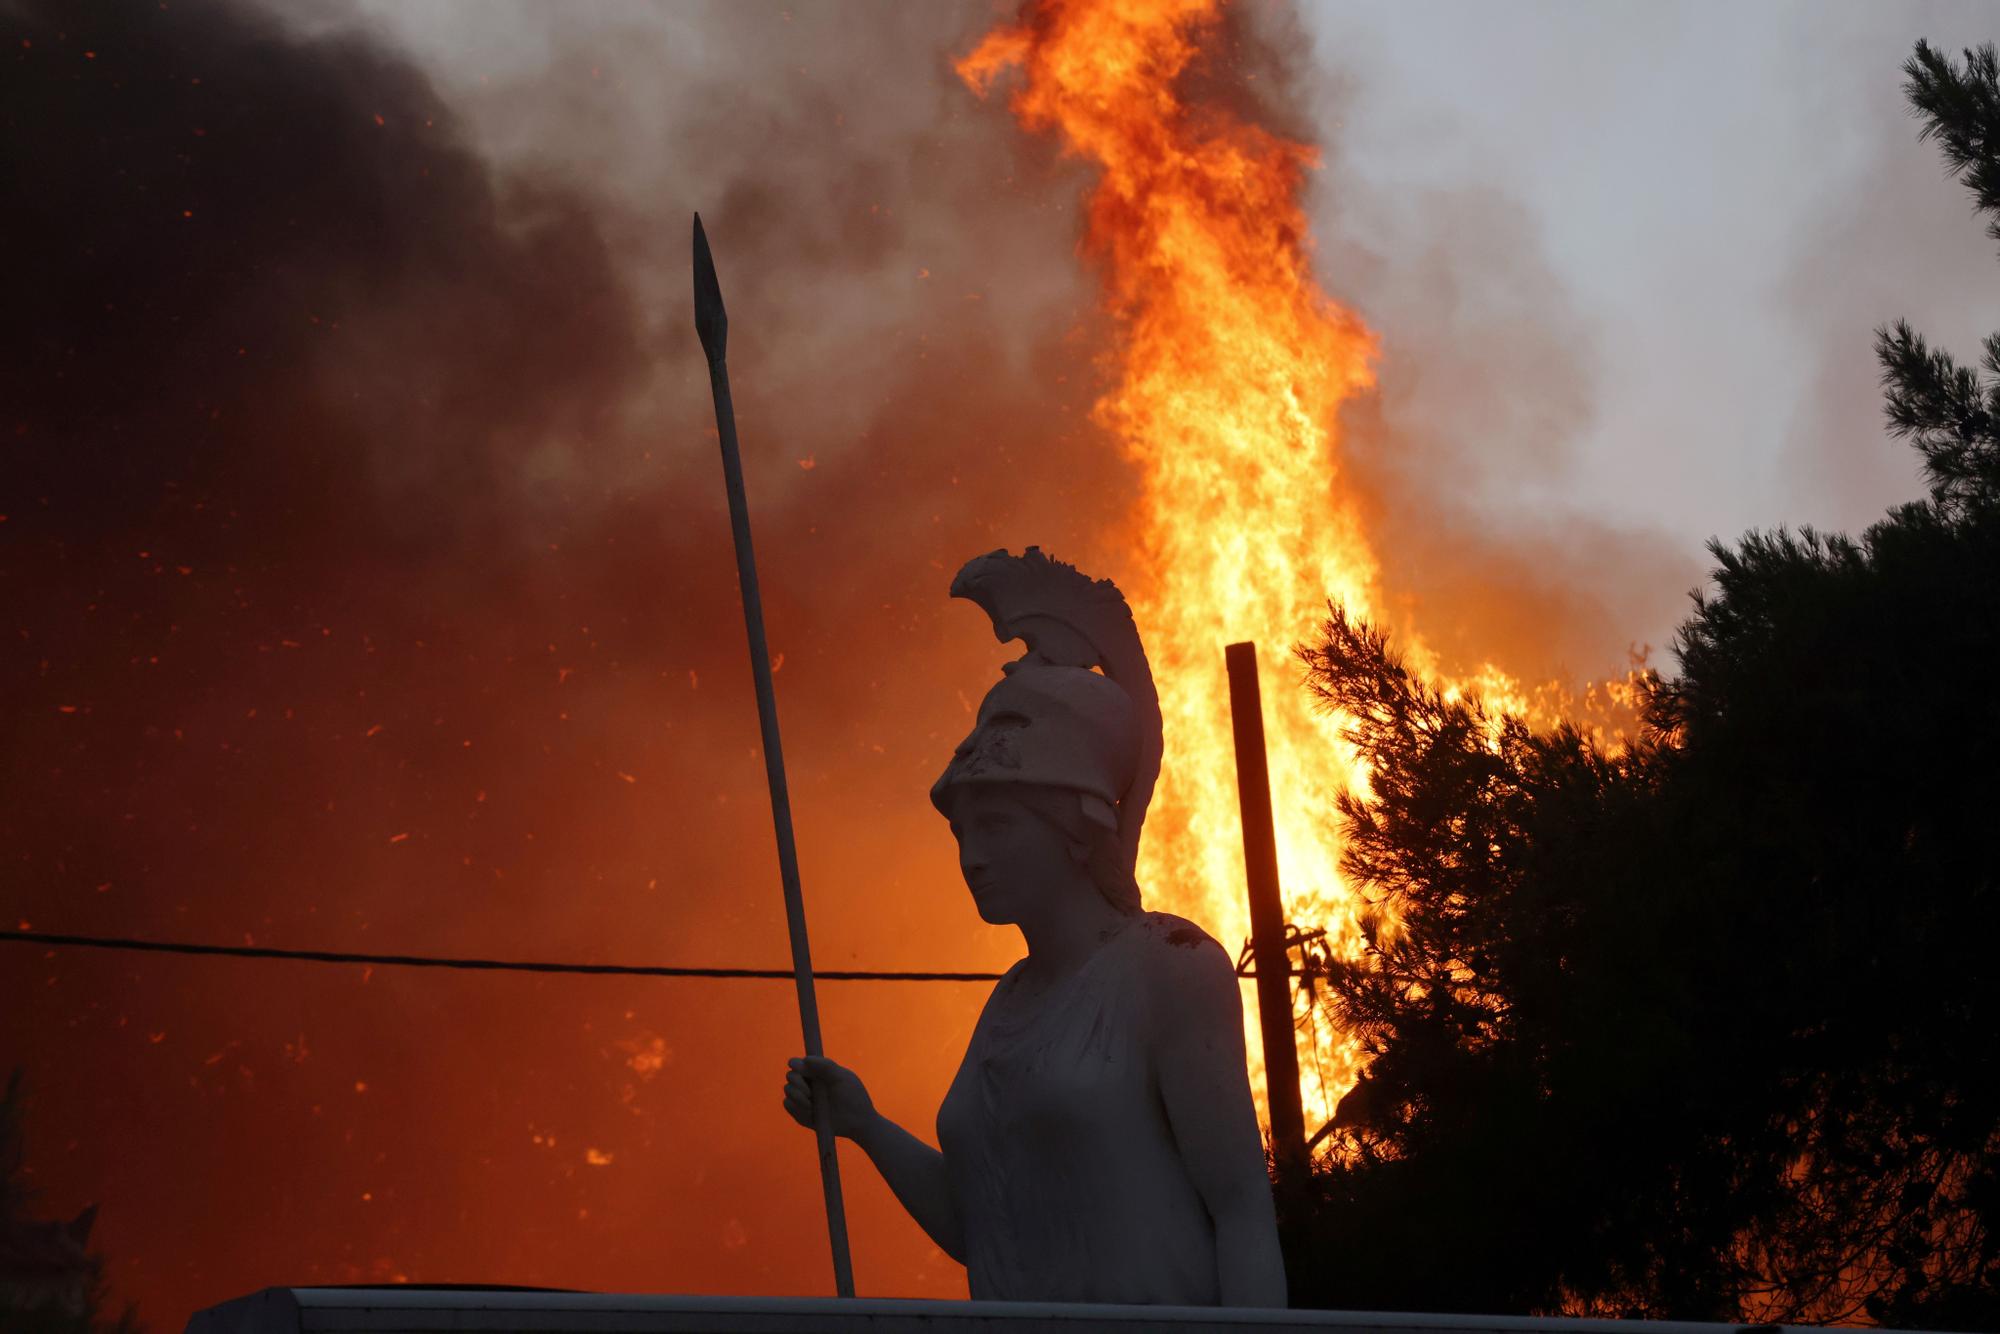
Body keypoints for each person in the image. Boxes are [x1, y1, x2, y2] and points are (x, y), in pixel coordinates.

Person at [783, 547, 1286, 1306]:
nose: (971, 857)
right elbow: (978, 1225)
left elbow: (1242, 1206)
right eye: (962, 833)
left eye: (996, 826)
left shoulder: (1171, 966)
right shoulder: (1009, 1004)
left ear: (1072, 826)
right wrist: (864, 1124)